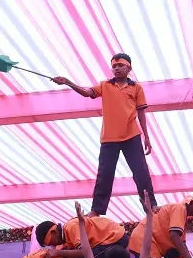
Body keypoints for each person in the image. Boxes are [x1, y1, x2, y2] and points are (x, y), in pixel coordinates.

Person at [52, 53, 154, 216]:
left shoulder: (136, 88)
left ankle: (151, 206)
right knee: (105, 175)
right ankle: (97, 210)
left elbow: (141, 112)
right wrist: (68, 82)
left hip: (132, 135)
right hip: (109, 138)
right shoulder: (105, 85)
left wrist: (146, 136)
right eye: (114, 66)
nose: (116, 68)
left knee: (141, 172)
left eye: (120, 65)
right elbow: (87, 93)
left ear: (129, 68)